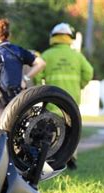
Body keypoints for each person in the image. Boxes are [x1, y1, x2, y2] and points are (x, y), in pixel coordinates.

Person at [35, 22, 94, 170]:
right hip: (72, 99)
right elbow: (89, 72)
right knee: (72, 129)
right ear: (69, 37)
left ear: (53, 37)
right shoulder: (77, 56)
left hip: (52, 100)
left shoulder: (47, 55)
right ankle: (71, 159)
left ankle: (51, 158)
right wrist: (80, 84)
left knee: (52, 129)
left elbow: (37, 74)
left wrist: (42, 89)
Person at [0, 18, 45, 130]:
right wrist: (25, 78)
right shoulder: (18, 50)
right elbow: (40, 63)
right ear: (9, 34)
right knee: (17, 134)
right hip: (18, 101)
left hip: (1, 102)